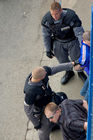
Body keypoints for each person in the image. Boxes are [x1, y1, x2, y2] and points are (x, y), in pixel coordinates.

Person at [24, 62, 74, 140]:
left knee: (63, 102)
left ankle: (55, 124)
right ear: (40, 78)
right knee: (44, 129)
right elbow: (27, 110)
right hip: (42, 108)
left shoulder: (42, 71)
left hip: (50, 99)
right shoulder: (30, 92)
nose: (47, 73)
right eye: (45, 74)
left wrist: (71, 64)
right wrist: (36, 124)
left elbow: (55, 69)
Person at [41, 1, 87, 85]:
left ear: (61, 10)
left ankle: (80, 72)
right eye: (52, 14)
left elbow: (79, 33)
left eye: (57, 14)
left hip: (72, 40)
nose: (54, 17)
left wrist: (83, 47)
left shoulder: (71, 17)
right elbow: (45, 36)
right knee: (62, 60)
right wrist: (48, 49)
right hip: (58, 42)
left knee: (77, 58)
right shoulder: (47, 20)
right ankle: (69, 72)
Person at [74, 31, 90, 102]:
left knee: (89, 80)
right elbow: (81, 65)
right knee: (91, 87)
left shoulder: (86, 44)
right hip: (90, 70)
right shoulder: (85, 53)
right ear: (85, 41)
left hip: (90, 70)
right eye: (90, 42)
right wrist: (77, 67)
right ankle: (86, 101)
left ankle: (83, 92)